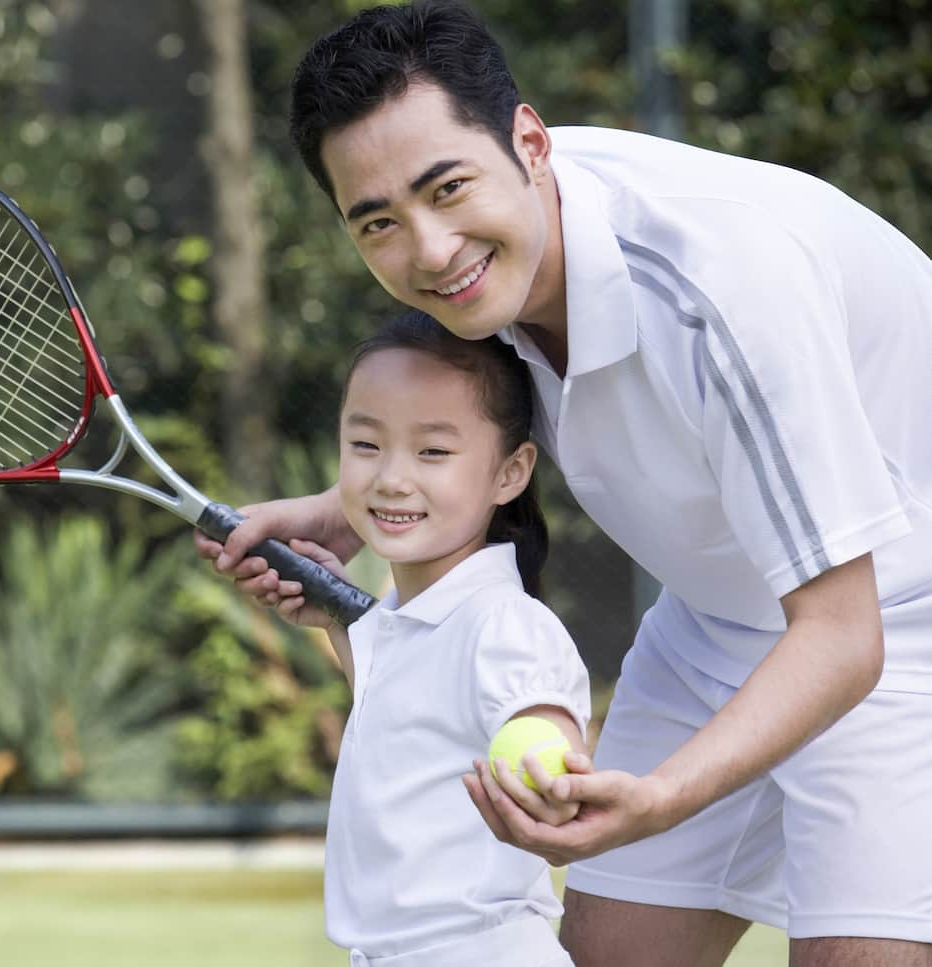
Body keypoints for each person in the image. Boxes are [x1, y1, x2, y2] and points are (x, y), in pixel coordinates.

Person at [195, 2, 932, 965]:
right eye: (377, 222)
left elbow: (843, 635)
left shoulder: (727, 287)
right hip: (719, 616)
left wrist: (664, 796)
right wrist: (348, 515)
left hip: (897, 620)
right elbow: (482, 423)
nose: (429, 249)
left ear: (530, 143)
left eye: (447, 189)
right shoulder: (489, 267)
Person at [289, 307, 589, 967]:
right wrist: (334, 608)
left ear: (510, 473)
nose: (393, 476)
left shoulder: (503, 623)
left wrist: (552, 778)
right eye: (366, 444)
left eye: (432, 450)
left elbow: (545, 734)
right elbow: (406, 717)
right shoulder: (408, 622)